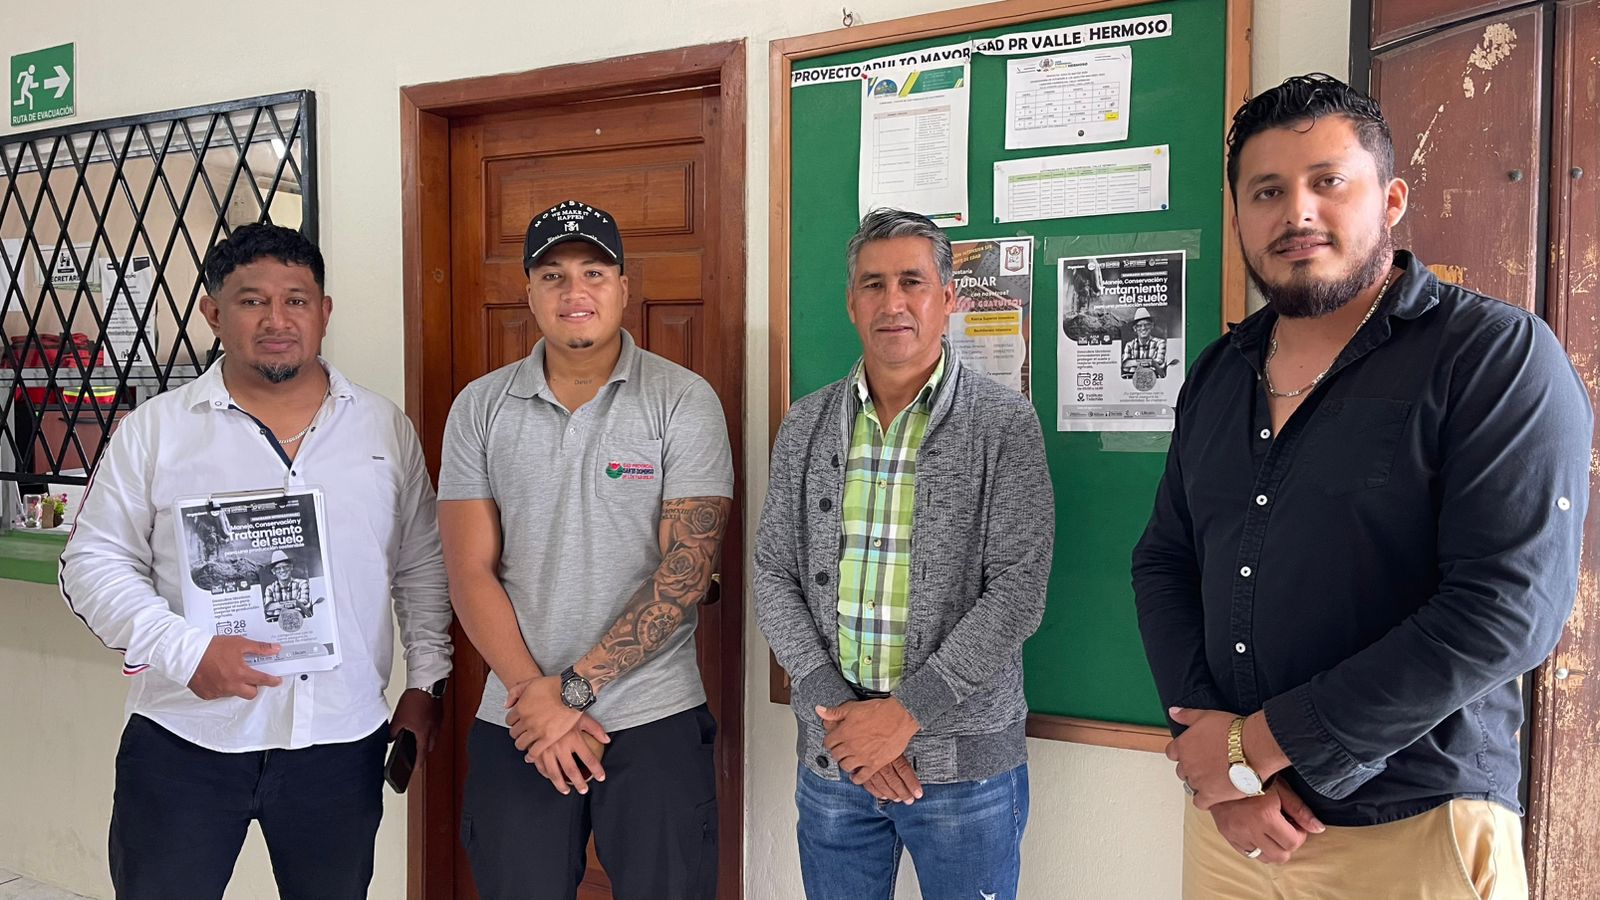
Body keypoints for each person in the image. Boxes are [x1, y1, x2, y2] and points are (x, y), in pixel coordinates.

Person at [1132, 73, 1591, 899]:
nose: (1297, 212)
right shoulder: (1219, 372)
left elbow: (1506, 609)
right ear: (1239, 218)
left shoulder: (1492, 356)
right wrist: (1220, 762)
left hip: (1414, 828)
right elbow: (1165, 560)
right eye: (1267, 191)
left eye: (1328, 182)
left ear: (1392, 199)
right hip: (1234, 830)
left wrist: (1256, 747)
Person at [60, 223, 453, 900]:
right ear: (213, 313)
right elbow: (91, 563)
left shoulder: (383, 427)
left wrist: (427, 682)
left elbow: (421, 566)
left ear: (323, 312)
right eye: (251, 301)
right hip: (186, 738)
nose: (277, 320)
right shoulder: (156, 430)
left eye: (296, 300)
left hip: (339, 739)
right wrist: (187, 650)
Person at [755, 207, 1054, 900]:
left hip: (964, 773)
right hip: (834, 762)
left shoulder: (1004, 424)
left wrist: (905, 715)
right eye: (874, 284)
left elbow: (1018, 593)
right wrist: (842, 718)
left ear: (947, 299)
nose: (893, 303)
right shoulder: (804, 424)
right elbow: (773, 574)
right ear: (851, 302)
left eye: (912, 282)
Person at [438, 199, 733, 900]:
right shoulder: (480, 407)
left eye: (594, 272)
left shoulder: (683, 400)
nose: (575, 291)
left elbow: (684, 574)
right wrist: (535, 700)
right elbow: (468, 570)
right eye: (554, 275)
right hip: (518, 720)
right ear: (529, 291)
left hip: (653, 715)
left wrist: (570, 691)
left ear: (624, 287)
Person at [262, 549, 312, 624]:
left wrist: (278, 606)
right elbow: (268, 609)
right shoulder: (270, 588)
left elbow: (305, 603)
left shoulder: (302, 583)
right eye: (278, 568)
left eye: (285, 567)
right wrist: (295, 603)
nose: (282, 570)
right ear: (273, 571)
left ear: (291, 567)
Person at [1120, 306, 1169, 380]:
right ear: (1135, 328)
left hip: (1155, 382)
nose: (1143, 328)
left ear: (1152, 326)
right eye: (1139, 326)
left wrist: (1134, 363)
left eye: (1146, 325)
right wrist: (1150, 362)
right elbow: (1125, 365)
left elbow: (1160, 363)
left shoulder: (1160, 343)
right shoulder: (1129, 345)